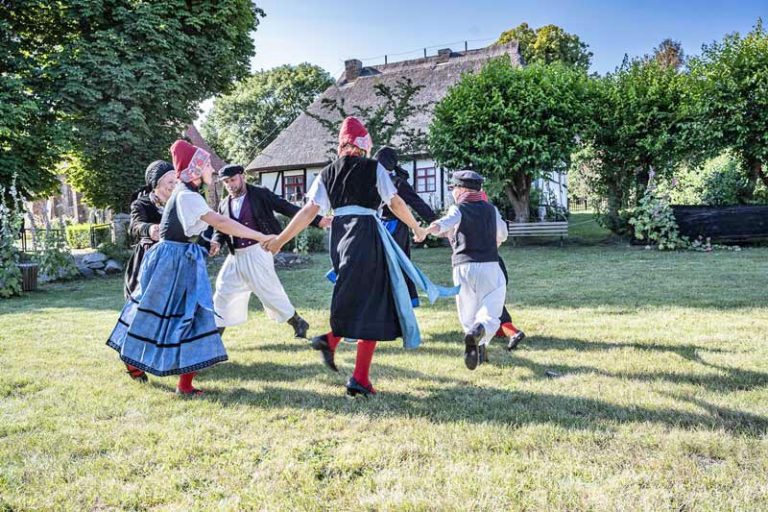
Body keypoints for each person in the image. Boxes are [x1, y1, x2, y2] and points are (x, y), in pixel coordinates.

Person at [263, 116, 456, 398]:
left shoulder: (327, 172)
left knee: (359, 300)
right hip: (366, 234)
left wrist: (282, 239)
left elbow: (309, 211)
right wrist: (416, 227)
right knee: (374, 303)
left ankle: (354, 370)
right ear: (365, 145)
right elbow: (395, 201)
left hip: (341, 238)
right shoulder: (374, 168)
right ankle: (341, 354)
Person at [106, 140, 276, 395]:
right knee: (158, 314)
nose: (211, 169)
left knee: (192, 317)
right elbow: (221, 221)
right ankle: (135, 362)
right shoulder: (186, 195)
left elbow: (209, 225)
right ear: (195, 168)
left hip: (181, 258)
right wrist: (262, 237)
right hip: (172, 261)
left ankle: (183, 384)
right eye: (206, 164)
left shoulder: (188, 194)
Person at [209, 164, 331, 339]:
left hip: (258, 250)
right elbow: (221, 229)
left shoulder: (260, 194)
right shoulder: (223, 204)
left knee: (269, 292)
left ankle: (298, 322)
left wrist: (317, 220)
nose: (230, 185)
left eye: (233, 180)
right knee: (223, 290)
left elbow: (286, 207)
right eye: (226, 182)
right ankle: (214, 337)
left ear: (242, 176)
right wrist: (216, 242)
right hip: (235, 255)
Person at [417, 170, 508, 370]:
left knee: (468, 311)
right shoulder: (491, 210)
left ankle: (477, 345)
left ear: (461, 189)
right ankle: (478, 336)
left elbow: (444, 224)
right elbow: (502, 233)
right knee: (491, 308)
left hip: (462, 267)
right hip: (488, 264)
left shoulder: (457, 209)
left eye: (454, 188)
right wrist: (494, 243)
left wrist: (426, 230)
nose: (453, 192)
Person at [374, 146, 438, 306]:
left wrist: (436, 222)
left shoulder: (398, 183)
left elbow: (417, 203)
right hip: (379, 225)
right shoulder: (375, 181)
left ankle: (406, 299)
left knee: (399, 263)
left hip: (396, 227)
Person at [124, 160, 176, 301]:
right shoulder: (141, 204)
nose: (174, 186)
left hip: (175, 259)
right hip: (149, 259)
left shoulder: (179, 203)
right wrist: (149, 229)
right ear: (156, 184)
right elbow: (134, 226)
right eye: (170, 182)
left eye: (176, 181)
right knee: (145, 302)